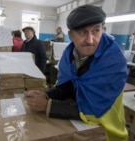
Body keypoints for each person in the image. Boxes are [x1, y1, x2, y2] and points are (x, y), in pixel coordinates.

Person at [24, 4, 128, 141]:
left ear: (103, 30)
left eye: (96, 31)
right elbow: (71, 85)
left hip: (105, 128)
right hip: (81, 125)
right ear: (71, 36)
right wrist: (46, 95)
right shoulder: (69, 55)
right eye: (83, 32)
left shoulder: (113, 60)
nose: (90, 40)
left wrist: (48, 105)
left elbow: (95, 106)